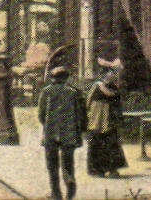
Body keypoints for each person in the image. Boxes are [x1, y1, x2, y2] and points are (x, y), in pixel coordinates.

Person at [38, 65, 87, 200]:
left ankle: (56, 194)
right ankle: (70, 186)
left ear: (52, 78)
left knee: (52, 165)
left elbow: (41, 115)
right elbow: (80, 114)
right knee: (68, 163)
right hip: (68, 133)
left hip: (51, 132)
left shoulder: (46, 92)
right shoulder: (73, 93)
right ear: (66, 78)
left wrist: (48, 124)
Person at [86, 57, 128, 178]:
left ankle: (112, 169)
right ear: (103, 74)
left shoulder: (114, 88)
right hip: (97, 119)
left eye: (114, 74)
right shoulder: (97, 86)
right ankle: (97, 169)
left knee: (111, 142)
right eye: (109, 74)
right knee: (97, 142)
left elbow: (117, 102)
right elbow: (88, 103)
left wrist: (117, 116)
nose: (112, 76)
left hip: (109, 119)